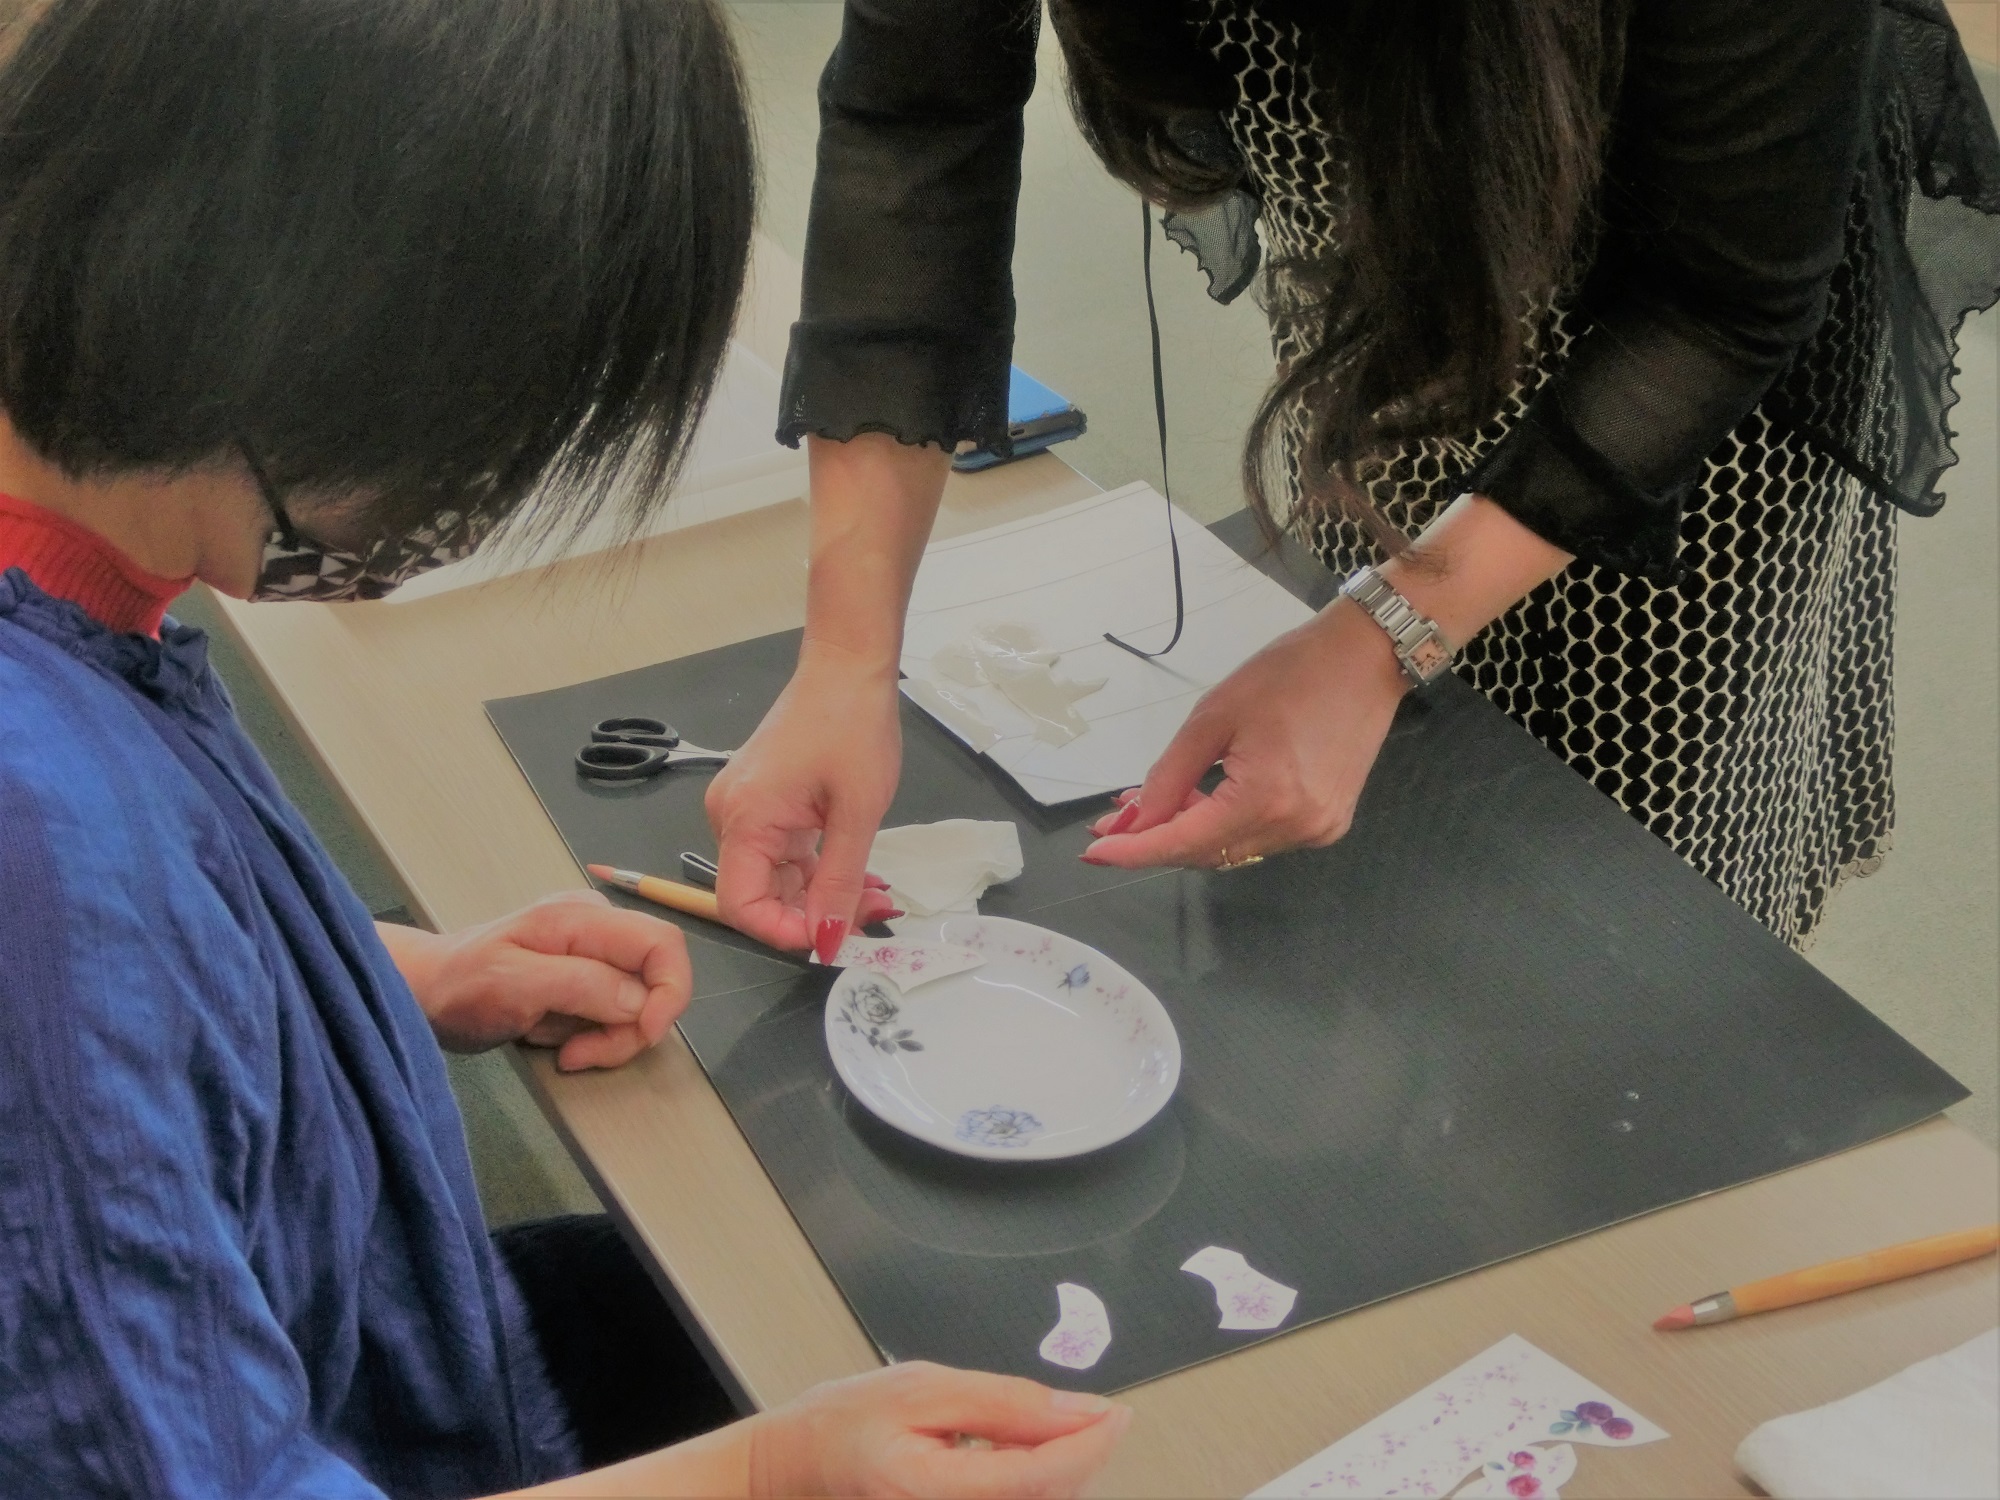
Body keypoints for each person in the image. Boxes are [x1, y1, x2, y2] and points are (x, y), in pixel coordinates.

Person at [0, 1, 1128, 1495]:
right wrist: (760, 1483)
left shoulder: (88, 613)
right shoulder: (43, 852)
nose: (458, 514)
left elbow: (132, 1025)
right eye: (476, 456)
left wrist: (395, 977)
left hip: (381, 1327)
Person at [706, 0, 2000, 953]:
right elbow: (916, 121)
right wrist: (847, 662)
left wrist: (1383, 636)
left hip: (1681, 363)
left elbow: (1720, 306)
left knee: (1612, 907)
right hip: (1397, 295)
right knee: (1372, 823)